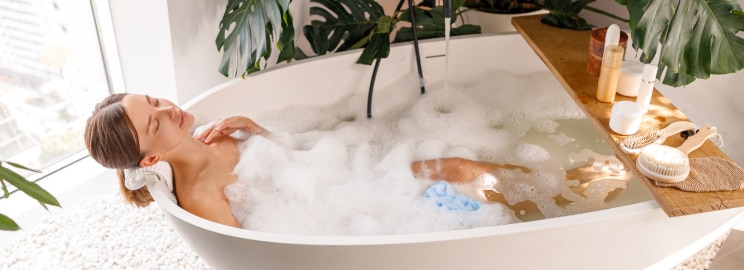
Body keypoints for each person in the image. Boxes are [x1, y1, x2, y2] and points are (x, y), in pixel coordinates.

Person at [84, 93, 534, 228]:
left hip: (353, 180)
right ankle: (555, 208)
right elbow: (268, 239)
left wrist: (258, 131)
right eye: (155, 123)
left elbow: (306, 157)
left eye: (154, 101)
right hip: (349, 216)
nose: (168, 110)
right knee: (462, 174)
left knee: (460, 166)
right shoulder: (201, 197)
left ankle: (556, 194)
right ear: (153, 156)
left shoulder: (213, 134)